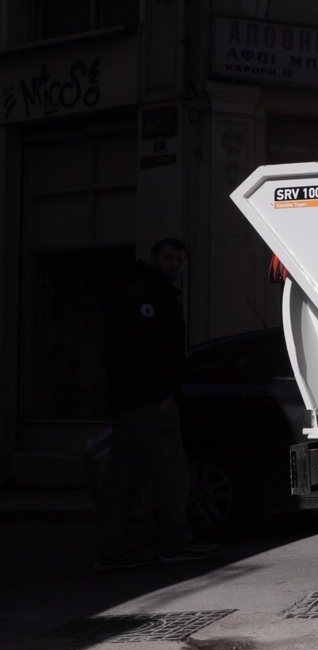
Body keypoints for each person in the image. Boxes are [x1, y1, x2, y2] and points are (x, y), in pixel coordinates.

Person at [94, 238, 219, 571]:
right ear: (154, 259)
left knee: (125, 478)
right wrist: (163, 393)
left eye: (180, 260)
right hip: (149, 403)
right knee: (172, 474)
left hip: (129, 403)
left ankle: (112, 551)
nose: (174, 264)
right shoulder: (147, 296)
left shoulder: (145, 292)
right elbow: (142, 351)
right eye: (168, 258)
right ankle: (175, 544)